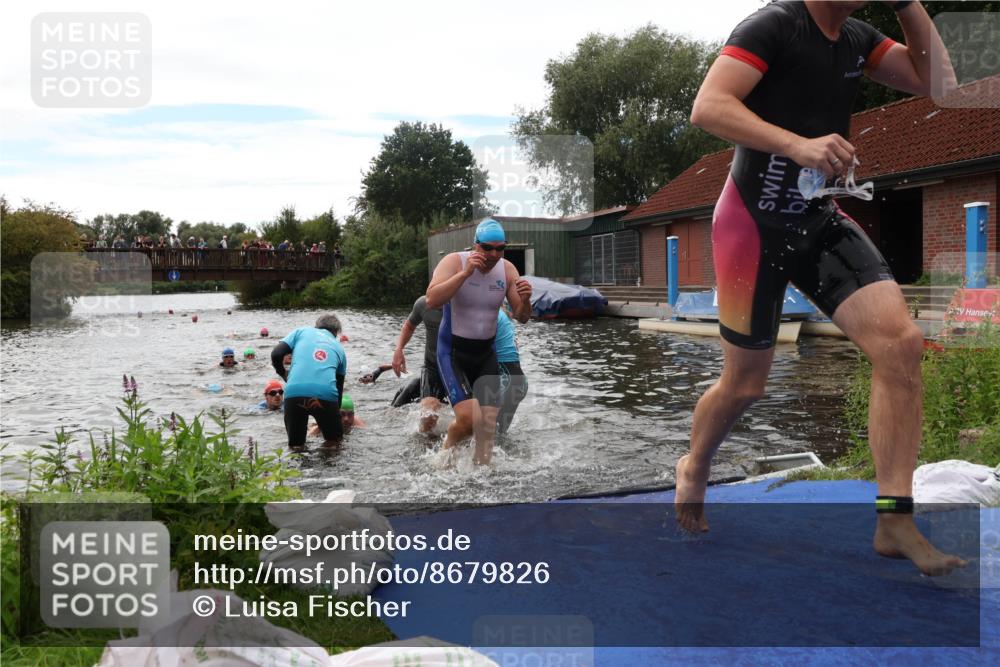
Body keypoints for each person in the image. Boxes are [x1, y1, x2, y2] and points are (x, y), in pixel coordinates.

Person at [679, 0, 962, 576]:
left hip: (817, 217)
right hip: (750, 224)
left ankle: (893, 517)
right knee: (745, 384)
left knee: (901, 344)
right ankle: (695, 465)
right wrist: (795, 144)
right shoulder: (775, 25)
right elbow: (707, 106)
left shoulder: (858, 38)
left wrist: (908, 4)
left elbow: (940, 85)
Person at [426, 218, 532, 465]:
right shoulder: (454, 261)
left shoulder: (507, 270)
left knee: (487, 427)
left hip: (485, 355)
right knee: (467, 419)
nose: (494, 254)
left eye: (500, 248)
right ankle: (442, 464)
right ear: (475, 245)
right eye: (487, 248)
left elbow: (522, 317)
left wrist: (526, 300)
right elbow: (432, 299)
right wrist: (465, 274)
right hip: (453, 353)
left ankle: (482, 479)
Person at [270, 314, 347, 449]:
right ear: (336, 332)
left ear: (316, 326)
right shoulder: (339, 348)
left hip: (294, 392)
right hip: (326, 396)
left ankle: (297, 468)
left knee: (296, 447)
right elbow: (338, 388)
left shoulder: (302, 331)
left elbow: (276, 354)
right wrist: (332, 416)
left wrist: (283, 373)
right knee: (334, 444)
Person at [391, 295, 450, 432]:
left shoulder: (466, 304)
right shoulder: (423, 304)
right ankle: (427, 450)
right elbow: (409, 326)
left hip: (459, 368)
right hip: (432, 367)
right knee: (428, 415)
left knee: (467, 418)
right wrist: (399, 349)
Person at [495, 308, 528, 435]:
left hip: (506, 381)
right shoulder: (503, 314)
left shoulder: (491, 315)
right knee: (499, 437)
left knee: (484, 437)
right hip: (517, 381)